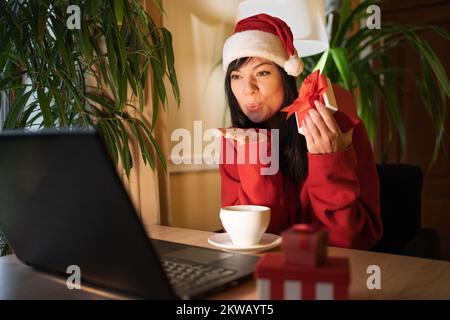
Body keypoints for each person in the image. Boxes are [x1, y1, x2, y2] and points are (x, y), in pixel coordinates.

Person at [219, 13, 383, 249]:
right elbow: (254, 238)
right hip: (265, 270)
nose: (248, 89)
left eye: (262, 72)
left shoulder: (340, 127)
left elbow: (347, 240)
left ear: (286, 76)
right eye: (236, 76)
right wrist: (255, 157)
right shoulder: (236, 142)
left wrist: (329, 160)